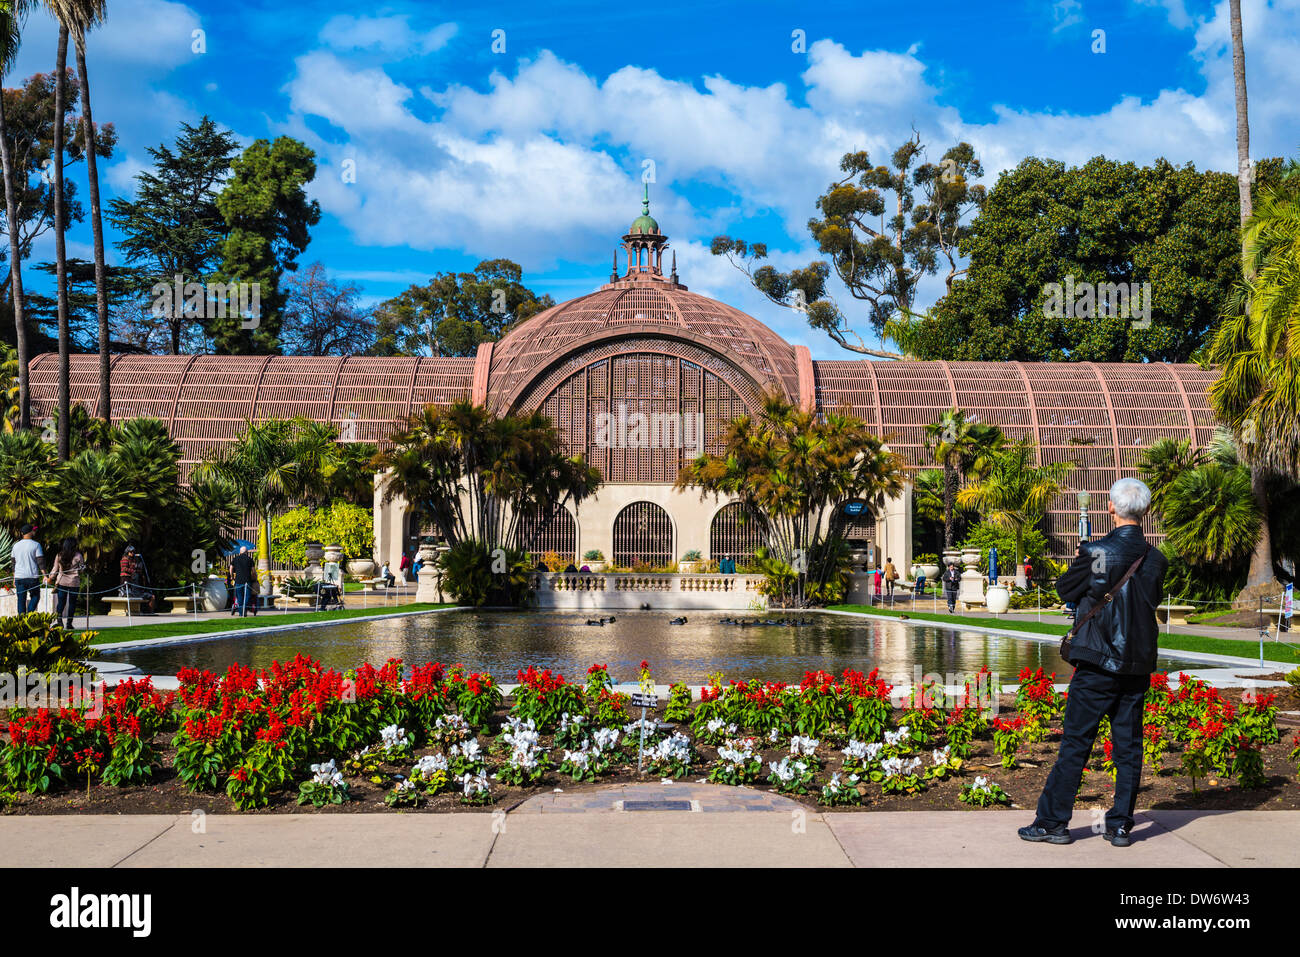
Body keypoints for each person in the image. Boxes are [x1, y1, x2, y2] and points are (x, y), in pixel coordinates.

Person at [1019, 477, 1169, 849]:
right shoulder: (1156, 559)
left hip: (1098, 660)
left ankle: (1053, 822)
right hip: (1136, 663)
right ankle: (1119, 826)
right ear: (1145, 512)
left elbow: (1065, 590)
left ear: (1111, 508)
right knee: (1129, 747)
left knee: (1076, 743)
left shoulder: (1097, 551)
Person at [46, 538, 85, 629]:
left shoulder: (59, 555)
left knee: (61, 602)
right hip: (74, 582)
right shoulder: (78, 556)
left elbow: (55, 569)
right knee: (72, 603)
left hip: (62, 581)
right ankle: (69, 623)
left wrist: (50, 578)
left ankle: (59, 621)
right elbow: (82, 569)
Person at [12, 524, 45, 614]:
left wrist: (14, 578)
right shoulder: (36, 545)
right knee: (35, 596)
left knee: (21, 600)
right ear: (30, 532)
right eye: (33, 530)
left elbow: (13, 563)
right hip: (32, 577)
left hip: (19, 577)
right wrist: (45, 575)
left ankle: (22, 621)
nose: (34, 532)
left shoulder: (16, 545)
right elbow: (40, 561)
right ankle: (29, 614)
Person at [230, 546, 256, 617]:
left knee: (239, 597)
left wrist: (232, 576)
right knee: (248, 596)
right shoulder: (250, 559)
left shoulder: (235, 559)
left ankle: (241, 612)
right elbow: (253, 571)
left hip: (238, 580)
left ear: (240, 552)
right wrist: (254, 578)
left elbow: (231, 568)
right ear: (246, 552)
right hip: (248, 581)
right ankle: (244, 608)